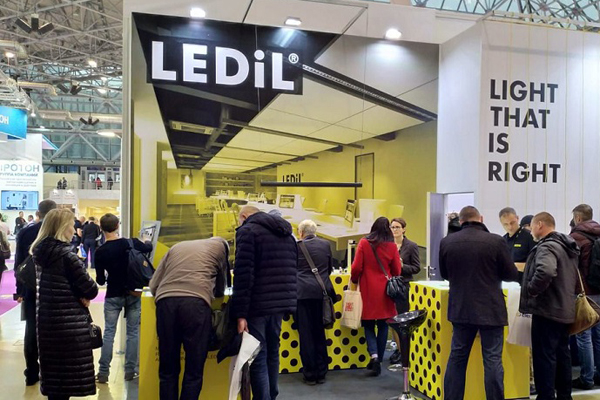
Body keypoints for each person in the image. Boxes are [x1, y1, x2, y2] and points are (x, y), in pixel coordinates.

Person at [440, 206, 519, 400]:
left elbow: (445, 274)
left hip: (460, 308)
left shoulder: (447, 242)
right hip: (491, 308)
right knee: (492, 360)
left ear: (460, 221)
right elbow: (511, 274)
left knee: (457, 358)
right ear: (481, 218)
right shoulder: (496, 241)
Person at [230, 205, 297, 400]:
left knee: (258, 356)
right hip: (280, 304)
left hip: (257, 305)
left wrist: (240, 314)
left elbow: (244, 275)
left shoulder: (248, 232)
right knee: (273, 352)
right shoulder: (286, 234)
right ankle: (272, 395)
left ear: (244, 216)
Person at [31, 208, 99, 400]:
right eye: (71, 225)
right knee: (68, 376)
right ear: (62, 228)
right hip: (70, 323)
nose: (73, 229)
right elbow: (91, 289)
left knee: (54, 377)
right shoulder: (67, 256)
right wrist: (82, 295)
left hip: (46, 320)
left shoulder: (38, 253)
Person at [150, 237, 228, 400]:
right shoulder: (221, 248)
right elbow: (221, 288)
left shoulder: (176, 246)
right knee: (194, 368)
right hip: (195, 305)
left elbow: (153, 284)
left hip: (166, 304)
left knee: (167, 368)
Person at [519, 212, 579, 400]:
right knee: (562, 355)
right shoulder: (566, 246)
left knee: (544, 357)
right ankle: (564, 396)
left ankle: (545, 396)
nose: (530, 232)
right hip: (564, 308)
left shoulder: (547, 246)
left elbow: (546, 271)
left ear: (540, 225)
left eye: (532, 227)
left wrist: (531, 289)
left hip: (547, 310)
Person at [94, 213, 153, 383]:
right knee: (132, 332)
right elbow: (148, 248)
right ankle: (130, 371)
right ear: (117, 226)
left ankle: (103, 372)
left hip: (113, 294)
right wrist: (146, 240)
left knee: (109, 333)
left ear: (101, 228)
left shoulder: (100, 251)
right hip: (133, 293)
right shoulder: (130, 243)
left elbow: (100, 280)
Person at [351, 217, 402, 377]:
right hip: (385, 291)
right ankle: (379, 359)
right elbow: (397, 270)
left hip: (367, 289)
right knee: (383, 325)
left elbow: (356, 267)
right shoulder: (392, 246)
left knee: (367, 324)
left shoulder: (364, 243)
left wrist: (354, 280)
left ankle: (373, 356)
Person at [14, 199, 57, 386]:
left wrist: (19, 289)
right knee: (54, 331)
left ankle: (31, 372)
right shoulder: (57, 232)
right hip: (54, 288)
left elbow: (19, 264)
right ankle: (51, 372)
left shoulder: (26, 232)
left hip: (31, 287)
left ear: (38, 213)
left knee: (31, 329)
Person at [295, 220, 336, 385]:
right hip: (321, 293)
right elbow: (329, 268)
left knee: (306, 334)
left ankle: (310, 373)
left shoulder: (297, 246)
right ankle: (321, 371)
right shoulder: (325, 245)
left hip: (302, 294)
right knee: (319, 332)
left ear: (301, 233)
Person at [569, 204, 600, 389]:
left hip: (583, 293)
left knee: (583, 335)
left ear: (578, 218)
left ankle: (587, 378)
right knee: (598, 335)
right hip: (599, 291)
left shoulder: (576, 238)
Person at [389, 217, 420, 365]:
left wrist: (402, 266)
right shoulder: (387, 245)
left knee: (402, 319)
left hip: (403, 286)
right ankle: (399, 349)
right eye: (392, 227)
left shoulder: (411, 246)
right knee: (391, 320)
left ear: (403, 229)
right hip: (389, 285)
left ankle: (405, 351)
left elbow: (416, 267)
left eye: (397, 227)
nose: (394, 230)